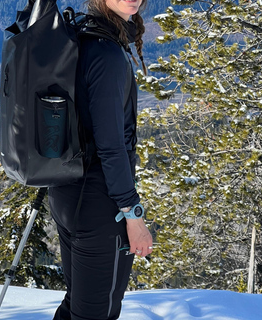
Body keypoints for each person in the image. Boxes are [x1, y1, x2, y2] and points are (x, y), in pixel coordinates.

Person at [47, 0, 153, 318]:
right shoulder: (106, 53)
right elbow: (111, 146)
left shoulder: (80, 35)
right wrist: (133, 216)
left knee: (77, 306)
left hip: (66, 194)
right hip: (99, 206)